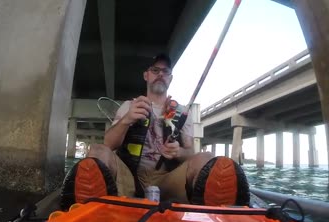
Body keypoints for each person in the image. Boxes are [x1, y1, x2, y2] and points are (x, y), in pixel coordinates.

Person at [61, 53, 249, 209]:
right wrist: (126, 120)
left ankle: (220, 215)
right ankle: (87, 212)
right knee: (96, 151)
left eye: (165, 71)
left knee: (206, 157)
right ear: (146, 75)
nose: (160, 74)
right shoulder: (129, 106)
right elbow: (108, 145)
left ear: (171, 78)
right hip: (129, 178)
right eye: (155, 70)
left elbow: (191, 153)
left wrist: (178, 151)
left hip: (167, 181)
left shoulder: (182, 112)